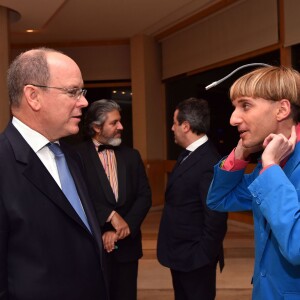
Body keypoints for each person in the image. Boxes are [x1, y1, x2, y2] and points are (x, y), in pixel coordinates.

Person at [0, 47, 108, 300]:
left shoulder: (72, 158)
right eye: (73, 92)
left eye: (82, 92)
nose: (84, 102)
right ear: (33, 96)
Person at [206, 65, 300, 300]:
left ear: (282, 109)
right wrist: (241, 152)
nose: (233, 119)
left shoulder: (271, 164)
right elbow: (219, 199)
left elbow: (296, 246)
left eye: (245, 105)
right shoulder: (274, 160)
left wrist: (269, 167)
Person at [76, 99, 152, 300]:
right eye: (114, 123)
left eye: (120, 121)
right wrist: (109, 216)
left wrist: (124, 227)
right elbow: (78, 195)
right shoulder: (76, 157)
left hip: (128, 248)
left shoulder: (132, 156)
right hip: (93, 247)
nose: (121, 127)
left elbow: (144, 197)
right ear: (96, 127)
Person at [157, 98, 228, 300]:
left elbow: (216, 218)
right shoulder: (188, 154)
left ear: (186, 126)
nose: (172, 128)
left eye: (174, 123)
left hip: (195, 259)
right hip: (181, 255)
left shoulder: (209, 162)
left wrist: (202, 257)